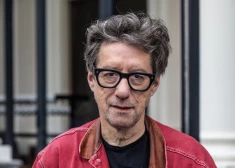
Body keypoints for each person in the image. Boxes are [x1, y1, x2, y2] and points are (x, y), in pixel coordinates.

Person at [33, 12, 216, 168]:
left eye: (137, 76)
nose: (122, 91)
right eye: (110, 74)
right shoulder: (57, 159)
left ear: (154, 85)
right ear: (92, 80)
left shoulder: (191, 161)